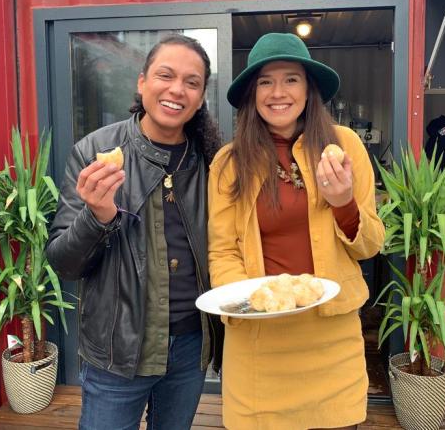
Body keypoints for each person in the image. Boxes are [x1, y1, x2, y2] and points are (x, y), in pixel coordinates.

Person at [207, 32, 385, 429]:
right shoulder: (228, 163)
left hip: (331, 336)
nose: (277, 92)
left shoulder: (345, 146)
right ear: (253, 94)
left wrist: (343, 203)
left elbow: (371, 245)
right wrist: (248, 304)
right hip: (259, 341)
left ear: (309, 89)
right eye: (265, 81)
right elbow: (222, 252)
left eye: (291, 78)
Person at [46, 34, 223, 430]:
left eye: (192, 82)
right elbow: (64, 263)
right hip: (118, 352)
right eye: (166, 75)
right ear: (142, 82)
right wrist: (97, 215)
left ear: (200, 96)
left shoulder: (212, 160)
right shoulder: (96, 151)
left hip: (191, 349)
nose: (177, 89)